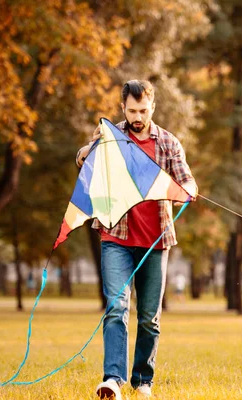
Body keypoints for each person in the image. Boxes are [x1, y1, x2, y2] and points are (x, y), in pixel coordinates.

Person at [76, 80, 197, 399]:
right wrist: (89, 150)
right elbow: (81, 158)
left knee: (148, 317)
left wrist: (189, 190)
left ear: (152, 108)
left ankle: (143, 380)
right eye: (132, 111)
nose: (138, 116)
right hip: (115, 237)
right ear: (123, 108)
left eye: (143, 110)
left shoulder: (168, 143)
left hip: (156, 241)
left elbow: (185, 179)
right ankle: (112, 379)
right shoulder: (110, 137)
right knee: (116, 307)